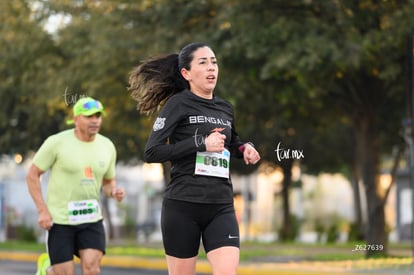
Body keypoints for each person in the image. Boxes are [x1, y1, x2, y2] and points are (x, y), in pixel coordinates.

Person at [128, 42, 261, 275]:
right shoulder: (177, 104)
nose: (211, 68)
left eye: (214, 62)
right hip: (183, 206)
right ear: (186, 73)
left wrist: (244, 149)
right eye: (203, 62)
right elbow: (152, 152)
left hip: (221, 206)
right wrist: (201, 144)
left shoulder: (224, 108)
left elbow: (231, 141)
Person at [26, 97, 125, 275]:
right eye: (89, 116)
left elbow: (108, 182)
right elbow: (32, 175)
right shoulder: (56, 142)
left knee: (92, 268)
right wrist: (42, 210)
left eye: (98, 116)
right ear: (76, 118)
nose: (94, 120)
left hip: (91, 218)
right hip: (60, 220)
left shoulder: (107, 146)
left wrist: (114, 192)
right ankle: (49, 271)